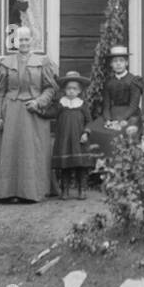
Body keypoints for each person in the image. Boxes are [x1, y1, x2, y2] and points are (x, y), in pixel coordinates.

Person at [0, 26, 59, 203]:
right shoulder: (5, 63)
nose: (24, 43)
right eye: (20, 40)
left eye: (27, 39)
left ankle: (32, 192)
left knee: (32, 151)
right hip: (11, 112)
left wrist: (39, 102)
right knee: (10, 151)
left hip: (34, 112)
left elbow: (50, 88)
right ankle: (7, 192)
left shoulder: (42, 62)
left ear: (32, 41)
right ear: (15, 42)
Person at [86, 45, 143, 167]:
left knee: (120, 133)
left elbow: (133, 106)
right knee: (95, 129)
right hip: (112, 114)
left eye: (121, 61)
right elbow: (106, 105)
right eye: (115, 61)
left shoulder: (134, 81)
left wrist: (120, 121)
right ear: (111, 64)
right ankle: (103, 168)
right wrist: (107, 120)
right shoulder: (109, 82)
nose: (118, 64)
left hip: (129, 115)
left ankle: (124, 167)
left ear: (126, 63)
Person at [51, 70, 94, 199]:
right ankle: (65, 190)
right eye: (69, 88)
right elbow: (51, 114)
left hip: (78, 139)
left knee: (80, 165)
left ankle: (82, 190)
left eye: (74, 89)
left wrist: (86, 132)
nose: (71, 91)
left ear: (79, 91)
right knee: (65, 166)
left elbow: (89, 121)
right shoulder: (61, 104)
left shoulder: (82, 105)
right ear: (64, 89)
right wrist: (37, 109)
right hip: (64, 139)